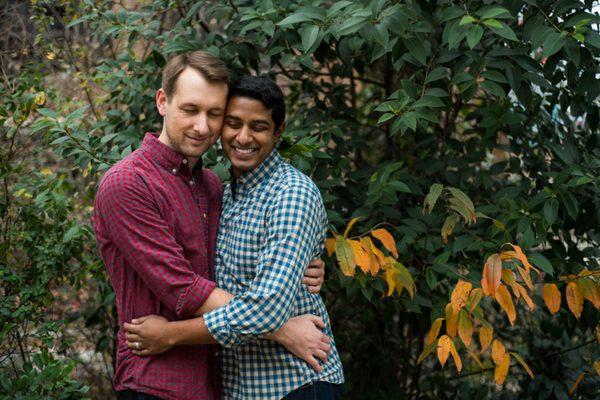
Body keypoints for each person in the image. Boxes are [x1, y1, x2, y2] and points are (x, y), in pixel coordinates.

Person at [93, 51, 329, 400]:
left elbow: (235, 266)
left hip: (219, 382)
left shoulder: (212, 185)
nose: (202, 126)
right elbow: (183, 288)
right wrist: (279, 327)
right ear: (163, 101)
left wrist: (305, 267)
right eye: (190, 110)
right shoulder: (127, 184)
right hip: (156, 382)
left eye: (214, 114)